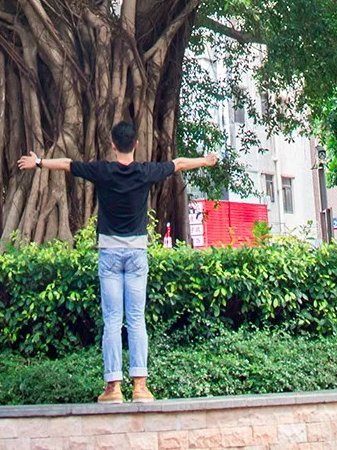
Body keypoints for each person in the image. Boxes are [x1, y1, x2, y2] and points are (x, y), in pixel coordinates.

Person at [19, 121, 217, 401]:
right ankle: (140, 386)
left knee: (112, 321)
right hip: (136, 253)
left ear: (113, 145)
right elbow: (178, 163)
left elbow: (66, 164)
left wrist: (38, 161)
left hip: (109, 253)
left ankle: (113, 387)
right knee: (136, 320)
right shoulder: (146, 171)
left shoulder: (103, 171)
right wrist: (205, 161)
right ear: (135, 144)